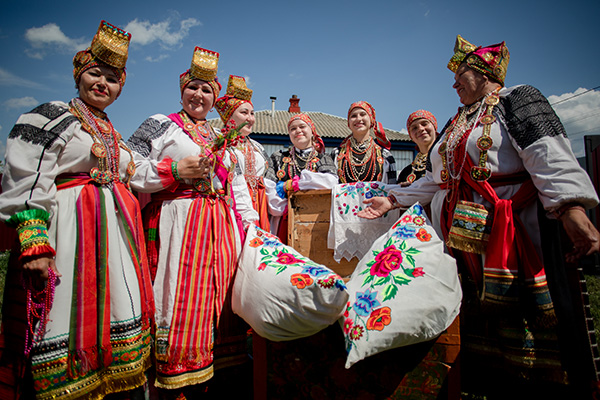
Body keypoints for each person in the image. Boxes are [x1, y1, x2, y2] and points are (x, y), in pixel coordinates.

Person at [358, 35, 600, 398]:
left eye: (461, 76)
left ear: (484, 73)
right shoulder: (457, 121)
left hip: (513, 233)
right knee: (475, 316)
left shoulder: (518, 100)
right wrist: (392, 199)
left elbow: (548, 154)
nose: (454, 85)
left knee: (521, 313)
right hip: (462, 238)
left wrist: (572, 207)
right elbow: (437, 179)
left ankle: (539, 384)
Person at [0, 21, 154, 399]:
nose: (102, 84)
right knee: (63, 315)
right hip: (70, 238)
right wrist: (34, 241)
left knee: (117, 311)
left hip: (114, 245)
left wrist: (176, 172)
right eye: (94, 74)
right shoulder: (55, 116)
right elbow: (26, 172)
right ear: (78, 75)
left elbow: (138, 173)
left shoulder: (113, 134)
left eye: (112, 79)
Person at [126, 47, 258, 398]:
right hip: (180, 225)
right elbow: (128, 165)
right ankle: (177, 376)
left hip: (220, 227)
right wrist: (173, 170)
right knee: (179, 299)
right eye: (193, 88)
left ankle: (215, 377)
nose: (199, 95)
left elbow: (237, 186)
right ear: (182, 91)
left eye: (207, 90)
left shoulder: (218, 136)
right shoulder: (162, 124)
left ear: (215, 100)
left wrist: (250, 227)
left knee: (220, 301)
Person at [264, 113, 337, 240]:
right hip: (284, 220)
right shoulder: (278, 158)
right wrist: (288, 207)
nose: (298, 131)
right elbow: (268, 187)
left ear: (312, 131)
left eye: (302, 126)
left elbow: (331, 182)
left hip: (317, 220)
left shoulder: (323, 158)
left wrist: (294, 185)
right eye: (293, 128)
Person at [215, 75, 271, 231]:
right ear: (229, 116)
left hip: (260, 204)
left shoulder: (257, 147)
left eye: (252, 113)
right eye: (244, 113)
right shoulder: (219, 142)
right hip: (233, 203)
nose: (250, 119)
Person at [331, 101, 397, 184]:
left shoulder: (385, 156)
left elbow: (392, 187)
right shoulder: (336, 154)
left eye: (363, 114)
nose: (358, 119)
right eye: (353, 116)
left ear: (371, 120)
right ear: (349, 123)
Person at [397, 110, 438, 184]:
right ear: (411, 136)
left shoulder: (447, 160)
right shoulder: (406, 172)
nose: (420, 129)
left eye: (424, 124)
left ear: (434, 127)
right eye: (414, 128)